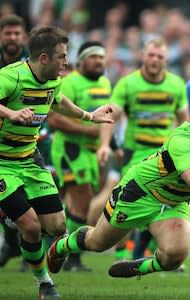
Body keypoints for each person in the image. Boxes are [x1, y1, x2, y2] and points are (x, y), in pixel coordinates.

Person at [46, 105, 190, 279]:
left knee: (175, 256)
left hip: (174, 201)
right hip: (140, 192)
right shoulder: (183, 141)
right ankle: (63, 245)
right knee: (98, 243)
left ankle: (139, 268)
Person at [0, 25, 114, 299]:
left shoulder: (54, 80)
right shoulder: (10, 77)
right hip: (2, 162)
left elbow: (58, 101)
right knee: (31, 226)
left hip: (30, 158)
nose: (66, 62)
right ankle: (45, 284)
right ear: (43, 58)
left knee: (57, 227)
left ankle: (13, 217)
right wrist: (10, 113)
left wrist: (89, 115)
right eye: (62, 56)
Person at [96, 36, 190, 261]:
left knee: (167, 201)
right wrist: (104, 145)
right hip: (135, 153)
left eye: (159, 56)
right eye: (151, 55)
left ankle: (148, 251)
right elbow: (113, 113)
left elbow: (184, 121)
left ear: (166, 59)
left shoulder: (176, 84)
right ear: (143, 56)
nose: (155, 59)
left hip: (165, 155)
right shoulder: (129, 83)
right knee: (128, 201)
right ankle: (121, 252)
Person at [48, 40, 112, 272]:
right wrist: (90, 130)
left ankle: (52, 246)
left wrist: (110, 143)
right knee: (83, 201)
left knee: (74, 203)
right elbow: (54, 119)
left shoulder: (105, 83)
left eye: (101, 57)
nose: (98, 61)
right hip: (70, 149)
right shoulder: (70, 82)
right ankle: (70, 256)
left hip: (92, 151)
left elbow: (107, 117)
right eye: (93, 57)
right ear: (81, 60)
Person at [0, 14, 29, 267]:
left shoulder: (34, 62)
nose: (12, 38)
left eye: (16, 33)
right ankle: (11, 236)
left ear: (24, 36)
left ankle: (23, 243)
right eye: (8, 33)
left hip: (29, 138)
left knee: (37, 192)